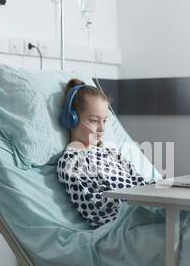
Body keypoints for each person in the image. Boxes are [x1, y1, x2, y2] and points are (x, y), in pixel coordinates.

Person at [57, 78, 153, 228]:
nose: (102, 129)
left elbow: (141, 185)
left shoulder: (112, 154)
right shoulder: (72, 162)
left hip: (148, 210)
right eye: (94, 120)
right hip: (129, 222)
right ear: (71, 119)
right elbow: (98, 211)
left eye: (105, 121)